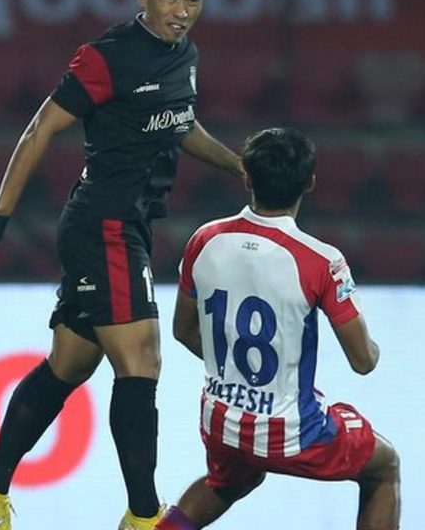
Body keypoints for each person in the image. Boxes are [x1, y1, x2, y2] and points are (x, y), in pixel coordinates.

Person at [0, 0, 244, 530]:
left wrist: (238, 165)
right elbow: (41, 128)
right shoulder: (107, 57)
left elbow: (181, 124)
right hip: (104, 226)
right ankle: (143, 516)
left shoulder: (184, 53)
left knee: (70, 364)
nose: (181, 10)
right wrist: (0, 213)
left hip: (126, 224)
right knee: (142, 359)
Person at [156, 128, 401, 530]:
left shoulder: (204, 239)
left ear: (248, 179)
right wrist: (374, 347)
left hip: (220, 419)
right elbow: (363, 362)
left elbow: (183, 330)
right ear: (310, 182)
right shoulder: (322, 261)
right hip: (290, 431)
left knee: (229, 480)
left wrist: (238, 375)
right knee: (384, 466)